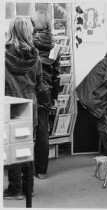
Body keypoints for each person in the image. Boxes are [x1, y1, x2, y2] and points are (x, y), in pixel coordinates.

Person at [4, 17, 47, 200]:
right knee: (27, 146)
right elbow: (40, 84)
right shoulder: (36, 55)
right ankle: (28, 188)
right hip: (30, 103)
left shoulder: (4, 54)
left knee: (12, 147)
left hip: (10, 102)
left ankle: (15, 189)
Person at [31, 10, 61, 180]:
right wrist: (55, 96)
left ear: (34, 24)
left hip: (29, 90)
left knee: (25, 129)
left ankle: (23, 170)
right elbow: (56, 75)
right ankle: (41, 171)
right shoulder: (56, 46)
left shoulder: (28, 43)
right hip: (46, 91)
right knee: (43, 130)